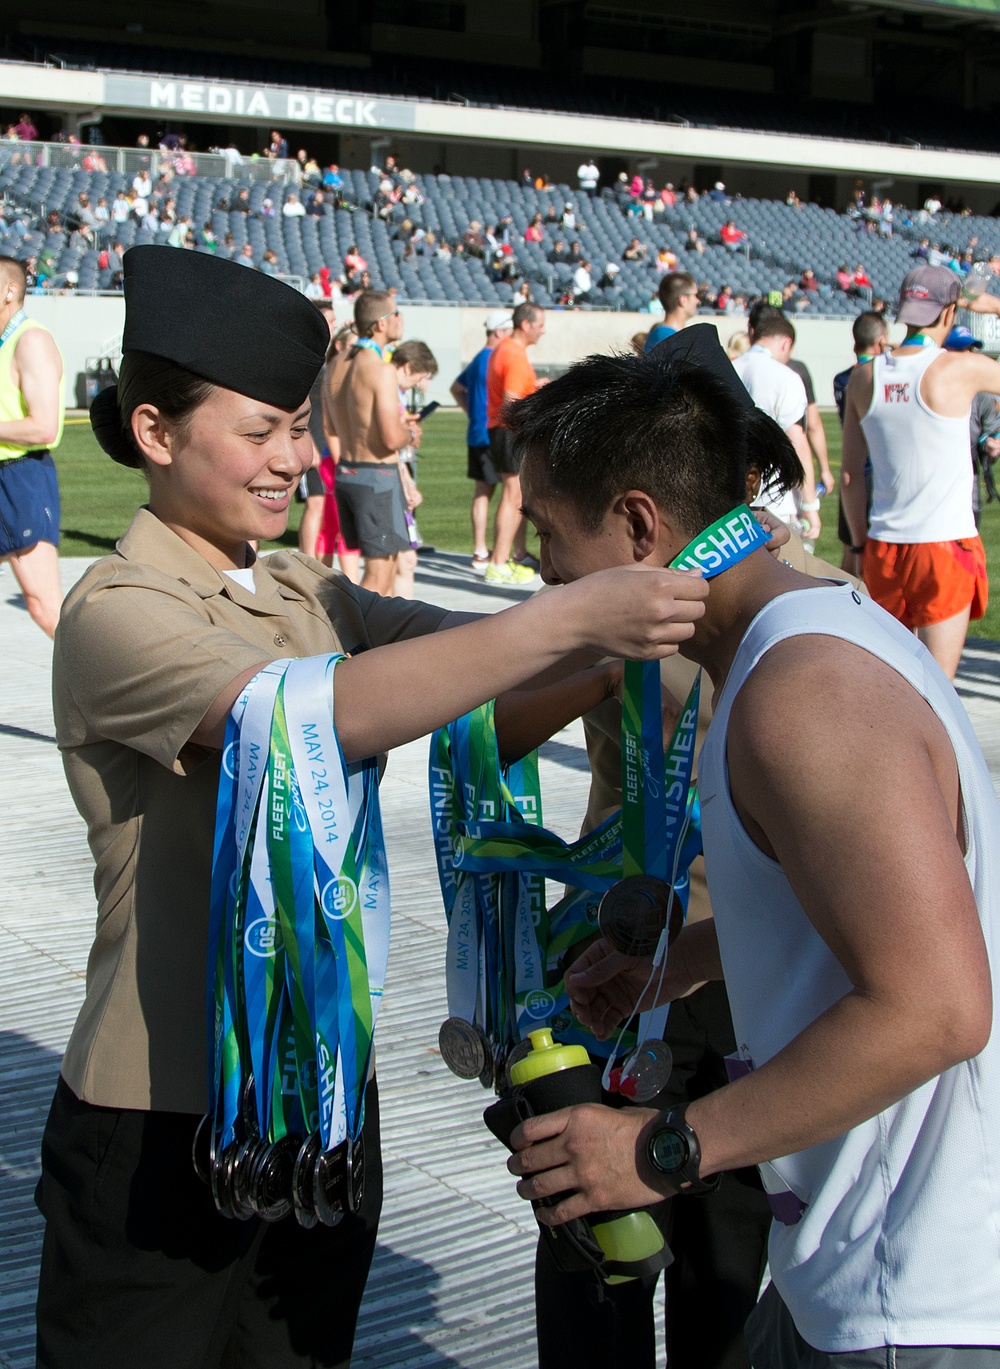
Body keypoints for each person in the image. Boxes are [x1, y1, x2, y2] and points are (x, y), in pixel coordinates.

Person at [36, 244, 709, 1369]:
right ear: (154, 431)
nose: (293, 459)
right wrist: (571, 619)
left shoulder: (299, 583)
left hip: (323, 1103)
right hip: (160, 1115)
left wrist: (640, 625)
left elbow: (465, 684)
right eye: (261, 431)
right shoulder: (120, 608)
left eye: (299, 429)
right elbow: (310, 714)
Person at [501, 327, 1000, 1369]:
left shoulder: (802, 694)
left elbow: (939, 1008)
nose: (537, 569)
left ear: (637, 525)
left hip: (920, 1299)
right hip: (848, 1266)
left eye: (547, 533)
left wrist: (662, 1148)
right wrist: (684, 959)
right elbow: (858, 912)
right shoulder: (798, 630)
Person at [842, 264, 1000, 678]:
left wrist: (858, 548)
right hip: (944, 545)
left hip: (883, 546)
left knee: (892, 683)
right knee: (937, 692)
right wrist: (992, 306)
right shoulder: (959, 368)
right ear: (950, 312)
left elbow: (850, 477)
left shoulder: (864, 376)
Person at [325, 290, 413, 596]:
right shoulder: (381, 369)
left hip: (348, 472)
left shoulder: (336, 364)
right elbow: (392, 438)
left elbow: (330, 427)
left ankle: (374, 642)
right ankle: (341, 637)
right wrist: (411, 433)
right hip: (377, 477)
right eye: (396, 314)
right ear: (380, 324)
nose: (401, 320)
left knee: (381, 574)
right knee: (378, 576)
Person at [0, 256, 65, 637]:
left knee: (45, 606)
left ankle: (103, 690)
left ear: (10, 291)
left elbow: (44, 427)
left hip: (19, 477)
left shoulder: (32, 340)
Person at [732, 307, 820, 545]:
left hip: (730, 500)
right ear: (785, 344)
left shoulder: (727, 370)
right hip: (775, 504)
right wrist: (809, 503)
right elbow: (797, 443)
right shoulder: (786, 377)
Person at [483, 302, 546, 587]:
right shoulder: (515, 355)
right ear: (526, 325)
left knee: (517, 496)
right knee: (513, 497)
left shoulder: (504, 349)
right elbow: (511, 403)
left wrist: (534, 389)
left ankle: (512, 557)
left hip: (500, 431)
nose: (543, 331)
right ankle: (497, 562)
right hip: (508, 431)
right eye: (540, 324)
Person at [451, 310, 516, 574]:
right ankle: (505, 553)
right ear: (499, 331)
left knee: (482, 493)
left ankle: (479, 550)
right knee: (512, 494)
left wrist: (471, 411)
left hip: (476, 431)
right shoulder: (498, 358)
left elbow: (457, 388)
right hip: (495, 431)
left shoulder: (479, 358)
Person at [832, 310, 890, 576]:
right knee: (873, 551)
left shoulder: (842, 378)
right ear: (880, 341)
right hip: (872, 471)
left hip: (851, 469)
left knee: (850, 548)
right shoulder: (877, 376)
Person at [389, 338, 437, 599]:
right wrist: (406, 482)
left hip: (394, 477)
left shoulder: (395, 393)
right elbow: (390, 445)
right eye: (420, 376)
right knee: (398, 562)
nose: (419, 383)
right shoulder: (389, 392)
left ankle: (398, 621)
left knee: (404, 562)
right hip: (388, 480)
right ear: (407, 367)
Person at [786, 346, 834, 499]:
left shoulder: (740, 365)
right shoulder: (796, 370)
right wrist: (825, 470)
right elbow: (813, 423)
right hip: (789, 465)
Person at [644, 272, 698, 352]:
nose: (698, 301)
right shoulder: (668, 338)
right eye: (696, 295)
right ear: (683, 300)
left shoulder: (662, 334)